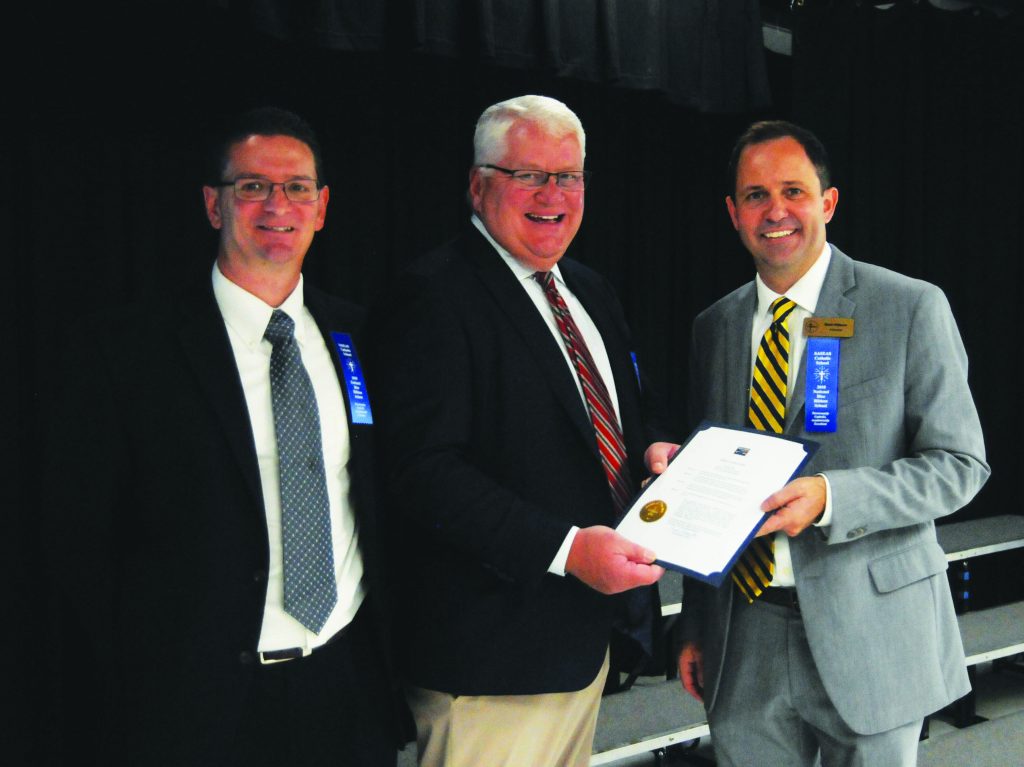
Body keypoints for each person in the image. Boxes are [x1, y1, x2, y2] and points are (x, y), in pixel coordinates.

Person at [43, 107, 404, 766]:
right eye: (252, 187)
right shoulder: (127, 351)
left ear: (321, 207)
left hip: (345, 687)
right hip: (198, 708)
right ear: (215, 205)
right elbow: (80, 541)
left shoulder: (362, 336)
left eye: (297, 187)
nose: (277, 204)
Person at [654, 120, 989, 766]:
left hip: (873, 632)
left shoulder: (909, 307)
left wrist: (832, 496)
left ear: (828, 202)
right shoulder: (713, 328)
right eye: (754, 195)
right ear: (732, 213)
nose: (775, 211)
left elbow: (960, 464)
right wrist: (696, 623)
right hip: (743, 636)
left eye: (793, 191)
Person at [365, 94, 667, 767]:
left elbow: (620, 419)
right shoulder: (432, 295)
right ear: (479, 185)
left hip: (581, 646)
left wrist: (652, 449)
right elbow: (425, 472)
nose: (552, 194)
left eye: (569, 176)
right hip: (488, 665)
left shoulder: (590, 290)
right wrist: (566, 549)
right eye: (527, 174)